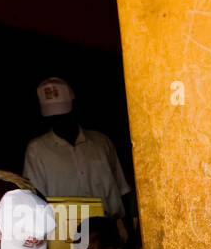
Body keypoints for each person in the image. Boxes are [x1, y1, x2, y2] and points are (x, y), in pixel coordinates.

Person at [23, 77, 134, 235]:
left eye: (64, 114)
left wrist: (131, 234)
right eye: (54, 116)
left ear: (74, 106)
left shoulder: (101, 143)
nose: (60, 121)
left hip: (110, 234)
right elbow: (35, 200)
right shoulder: (37, 150)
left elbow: (122, 190)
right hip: (64, 235)